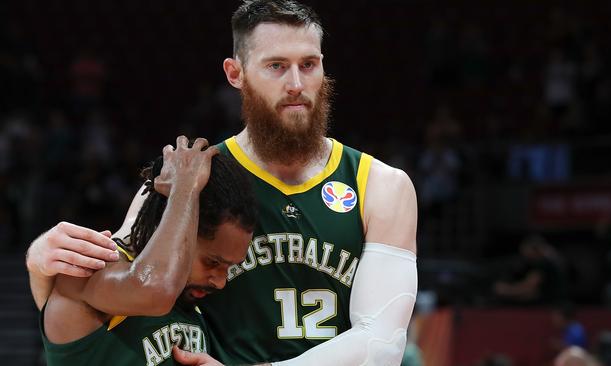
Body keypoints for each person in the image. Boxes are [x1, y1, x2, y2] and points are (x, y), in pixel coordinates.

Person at [26, 1, 418, 365]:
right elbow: (115, 291)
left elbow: (382, 344)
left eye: (309, 64)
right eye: (276, 66)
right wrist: (41, 261)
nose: (296, 83)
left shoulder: (380, 185)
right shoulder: (187, 177)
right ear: (236, 74)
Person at [39, 137, 257, 365]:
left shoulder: (189, 299)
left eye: (229, 267)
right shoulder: (87, 272)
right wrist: (185, 188)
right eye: (212, 262)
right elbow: (156, 288)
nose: (220, 282)